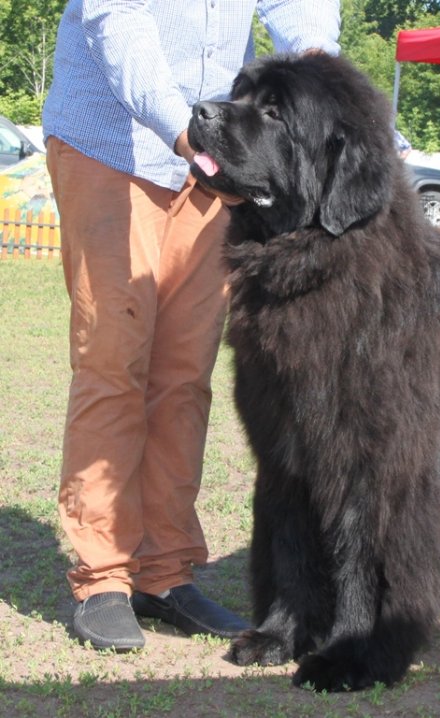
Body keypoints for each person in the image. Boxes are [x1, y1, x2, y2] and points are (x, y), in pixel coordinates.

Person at [42, 0, 341, 652]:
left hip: (208, 158)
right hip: (111, 144)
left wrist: (321, 76)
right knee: (115, 361)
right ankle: (104, 576)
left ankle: (165, 571)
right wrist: (185, 132)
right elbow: (115, 16)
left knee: (185, 371)